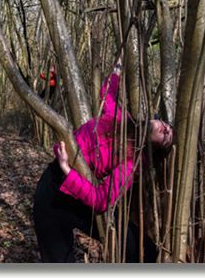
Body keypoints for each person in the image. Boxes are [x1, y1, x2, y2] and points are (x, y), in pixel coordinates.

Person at [33, 58, 173, 263]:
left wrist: (67, 169)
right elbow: (107, 93)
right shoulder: (121, 118)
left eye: (166, 136)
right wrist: (118, 67)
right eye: (165, 125)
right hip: (50, 192)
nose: (165, 128)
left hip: (80, 198)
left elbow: (101, 200)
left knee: (146, 251)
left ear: (157, 147)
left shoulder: (133, 162)